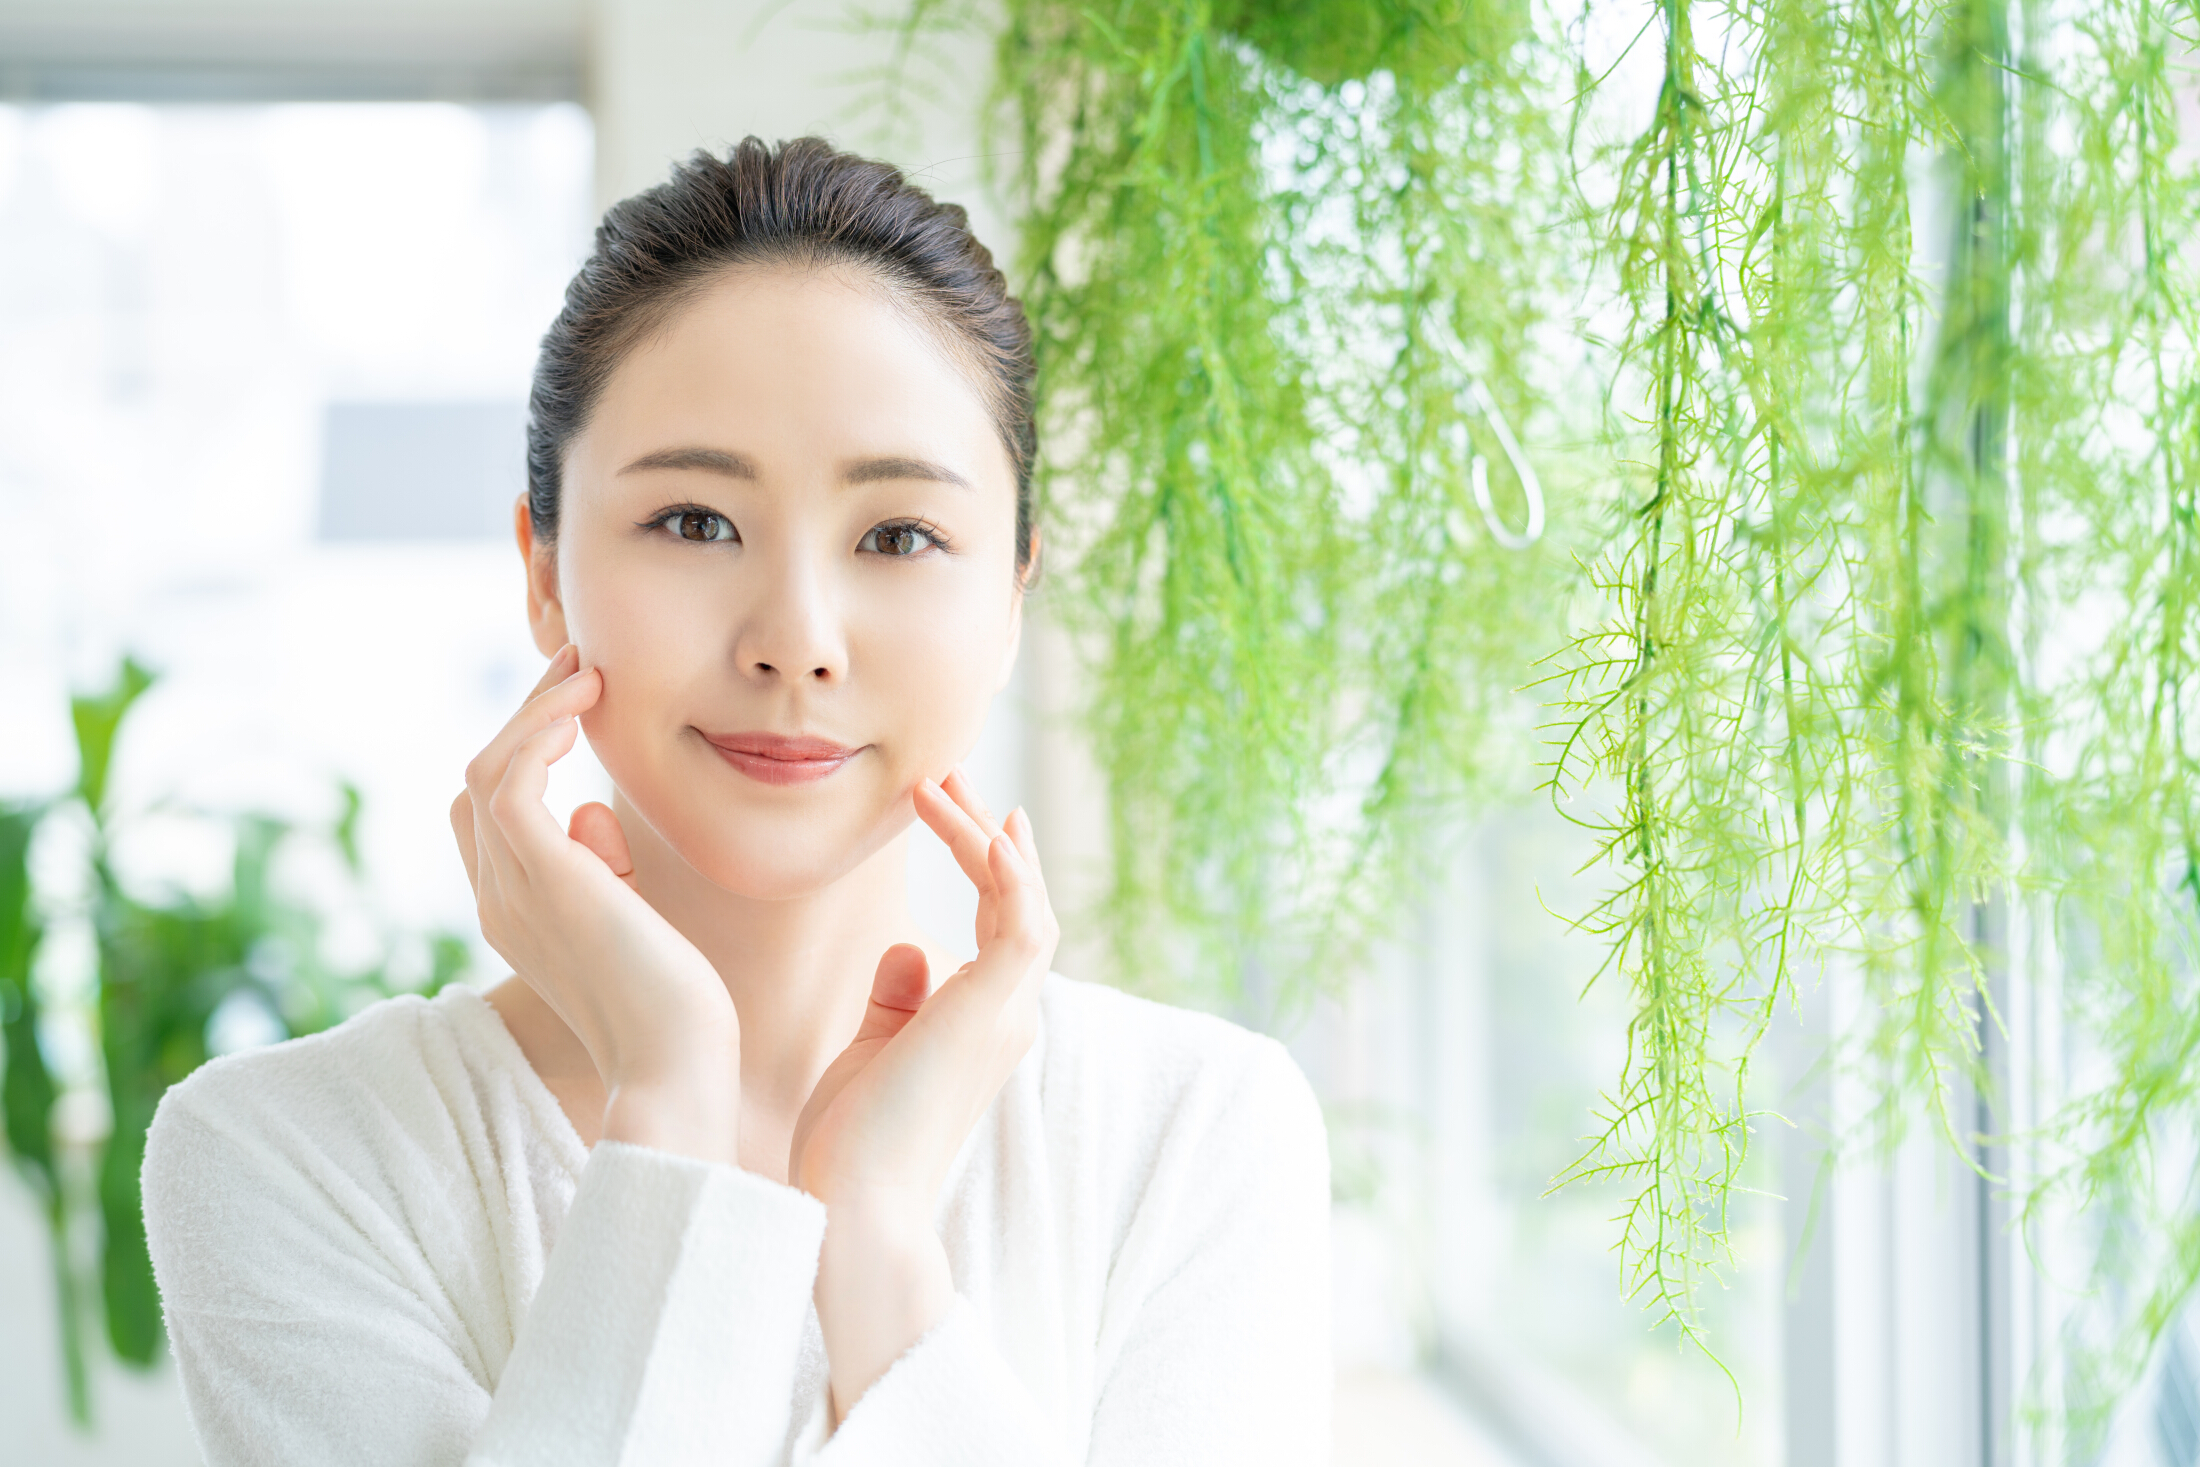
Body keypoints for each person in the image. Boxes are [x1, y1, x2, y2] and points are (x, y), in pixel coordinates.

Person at [142, 136, 1330, 1466]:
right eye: (697, 522)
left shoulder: (1191, 1133)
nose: (797, 640)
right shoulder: (289, 1155)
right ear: (544, 573)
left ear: (1011, 595)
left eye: (897, 537)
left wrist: (879, 1248)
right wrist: (669, 1103)